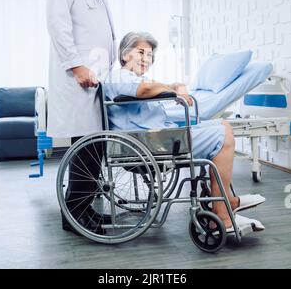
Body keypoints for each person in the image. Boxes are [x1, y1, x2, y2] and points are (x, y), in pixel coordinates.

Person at [105, 32, 265, 231]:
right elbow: (144, 91)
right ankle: (223, 213)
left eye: (150, 55)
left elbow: (147, 86)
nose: (147, 59)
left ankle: (227, 201)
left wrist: (175, 86)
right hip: (149, 143)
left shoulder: (130, 77)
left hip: (154, 138)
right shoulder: (119, 75)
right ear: (125, 55)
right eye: (141, 53)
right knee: (223, 136)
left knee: (223, 126)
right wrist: (173, 91)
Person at [46, 0, 116, 234]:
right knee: (84, 149)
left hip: (96, 80)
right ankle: (74, 217)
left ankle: (84, 208)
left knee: (94, 148)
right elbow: (58, 26)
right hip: (79, 80)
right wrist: (77, 67)